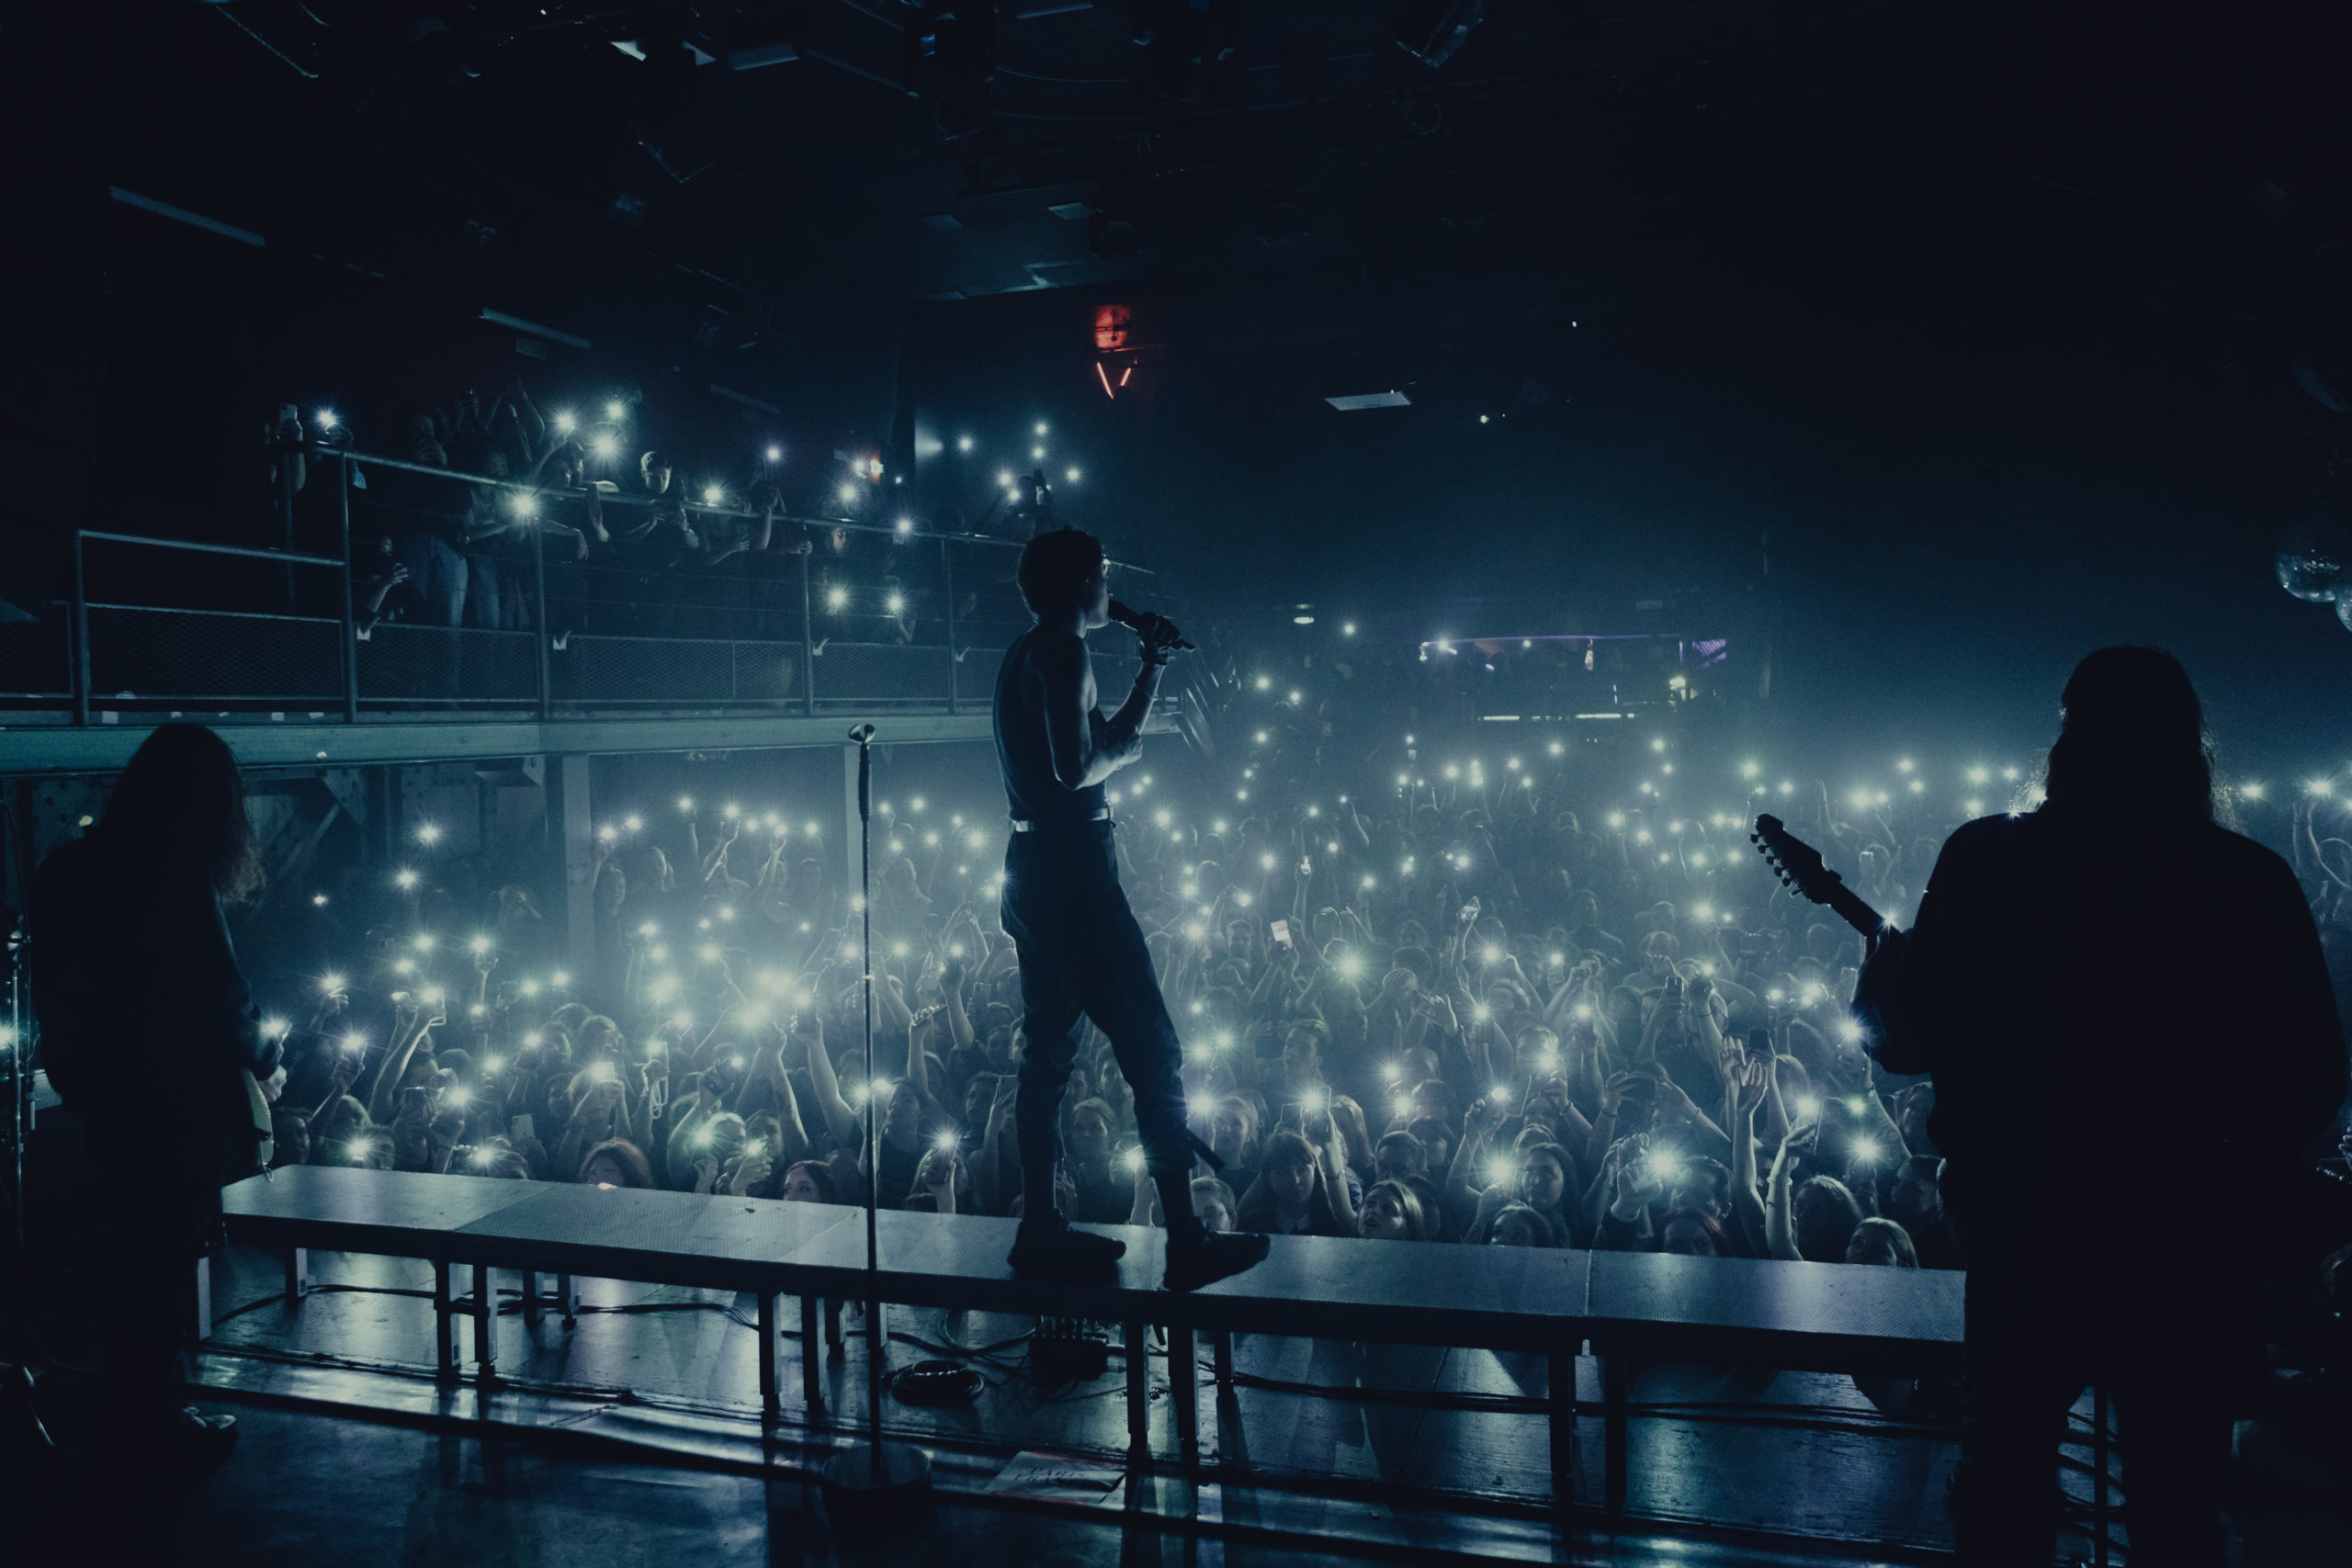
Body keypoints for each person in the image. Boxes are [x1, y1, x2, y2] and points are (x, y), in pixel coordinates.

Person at [1855, 647, 2347, 1568]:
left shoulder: (1984, 857)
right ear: (2188, 746)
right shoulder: (2246, 881)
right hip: (2189, 1245)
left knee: (2004, 1488)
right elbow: (2314, 1079)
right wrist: (2217, 1151)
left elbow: (1903, 1044)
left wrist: (1880, 980)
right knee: (2176, 1507)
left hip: (2026, 1232)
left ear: (2067, 736)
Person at [991, 526, 1266, 1290]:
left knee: (1046, 1058)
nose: (1111, 584)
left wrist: (1149, 670)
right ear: (1082, 580)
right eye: (1104, 572)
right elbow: (1080, 765)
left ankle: (1039, 1229)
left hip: (1032, 868)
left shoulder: (1023, 651)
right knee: (1155, 1052)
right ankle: (1185, 1239)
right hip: (1077, 876)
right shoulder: (1064, 650)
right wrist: (1137, 718)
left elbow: (1075, 752)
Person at [30, 724, 283, 1470]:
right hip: (175, 1102)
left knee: (134, 1256)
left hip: (105, 1099)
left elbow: (58, 992)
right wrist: (267, 1055)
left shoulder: (66, 867)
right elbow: (222, 994)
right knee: (161, 1263)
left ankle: (131, 1415)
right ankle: (145, 1425)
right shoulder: (173, 868)